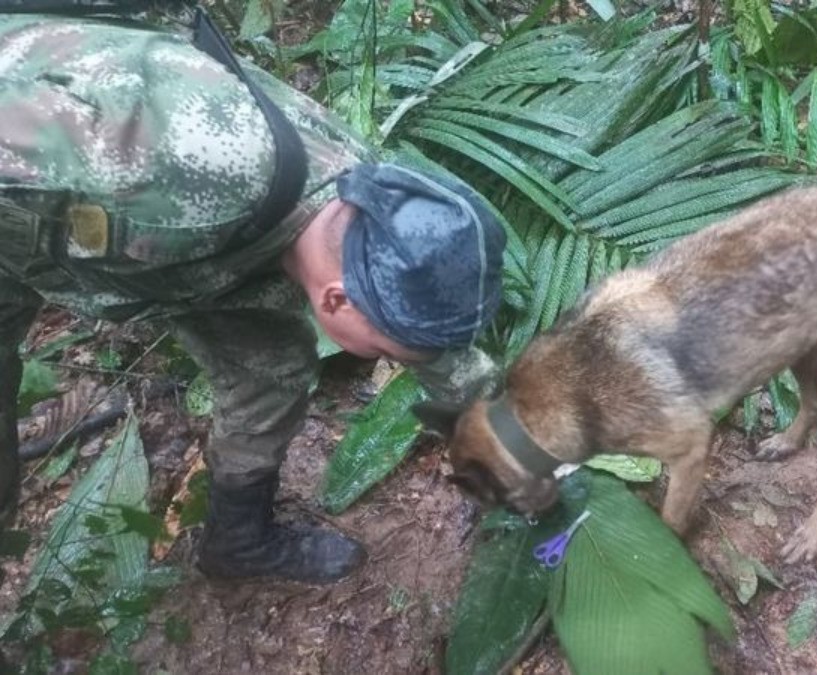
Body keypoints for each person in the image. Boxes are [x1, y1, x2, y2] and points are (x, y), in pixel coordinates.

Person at [0, 11, 506, 584]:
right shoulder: (172, 165)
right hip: (27, 189)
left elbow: (432, 340)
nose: (404, 358)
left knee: (270, 369)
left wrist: (512, 442)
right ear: (336, 302)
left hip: (176, 253)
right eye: (393, 353)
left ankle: (237, 543)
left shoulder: (371, 206)